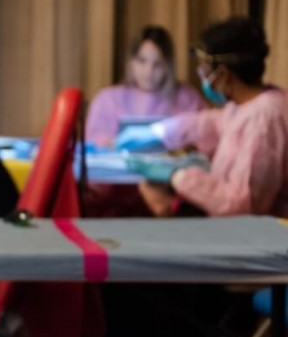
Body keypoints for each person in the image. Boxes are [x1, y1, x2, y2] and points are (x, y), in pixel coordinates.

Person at [117, 16, 288, 217]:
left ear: (223, 75)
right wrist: (160, 131)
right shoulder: (244, 105)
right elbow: (212, 123)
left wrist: (176, 176)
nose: (202, 77)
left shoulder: (266, 118)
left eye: (205, 71)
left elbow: (243, 205)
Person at [85, 25, 206, 149]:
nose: (149, 71)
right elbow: (95, 146)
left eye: (158, 64)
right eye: (142, 61)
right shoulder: (107, 100)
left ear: (168, 66)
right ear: (131, 62)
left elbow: (204, 140)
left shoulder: (188, 99)